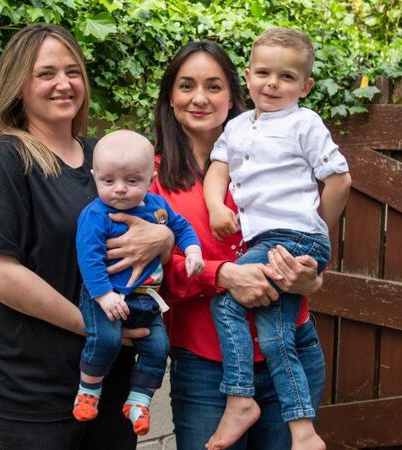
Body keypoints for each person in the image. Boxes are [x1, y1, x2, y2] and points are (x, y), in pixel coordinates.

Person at [0, 24, 174, 450]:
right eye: (46, 73)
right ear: (18, 86)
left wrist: (162, 237)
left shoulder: (103, 158)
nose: (63, 83)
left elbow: (158, 222)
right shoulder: (5, 160)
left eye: (72, 71)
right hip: (30, 387)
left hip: (110, 380)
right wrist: (95, 327)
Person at [149, 40, 327, 450]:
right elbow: (152, 274)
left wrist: (311, 280)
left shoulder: (282, 157)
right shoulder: (149, 180)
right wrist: (223, 275)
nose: (199, 98)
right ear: (170, 98)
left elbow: (311, 241)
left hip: (291, 351)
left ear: (233, 94)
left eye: (213, 86)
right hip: (207, 366)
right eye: (186, 86)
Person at [202, 28, 351, 450]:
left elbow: (339, 177)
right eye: (264, 73)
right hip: (267, 240)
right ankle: (302, 431)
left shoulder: (304, 122)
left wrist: (317, 228)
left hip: (292, 237)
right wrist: (216, 207)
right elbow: (219, 169)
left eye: (286, 77)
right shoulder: (236, 127)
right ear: (247, 76)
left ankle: (239, 397)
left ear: (305, 86)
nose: (272, 83)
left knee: (229, 305)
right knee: (274, 334)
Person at [73, 130, 205, 435]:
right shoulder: (96, 215)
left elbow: (181, 226)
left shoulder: (157, 207)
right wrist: (105, 296)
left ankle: (138, 400)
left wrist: (193, 250)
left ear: (150, 177)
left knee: (159, 347)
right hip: (106, 296)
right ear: (95, 177)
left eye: (132, 181)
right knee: (104, 340)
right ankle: (88, 392)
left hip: (147, 300)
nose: (119, 190)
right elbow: (89, 260)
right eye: (108, 181)